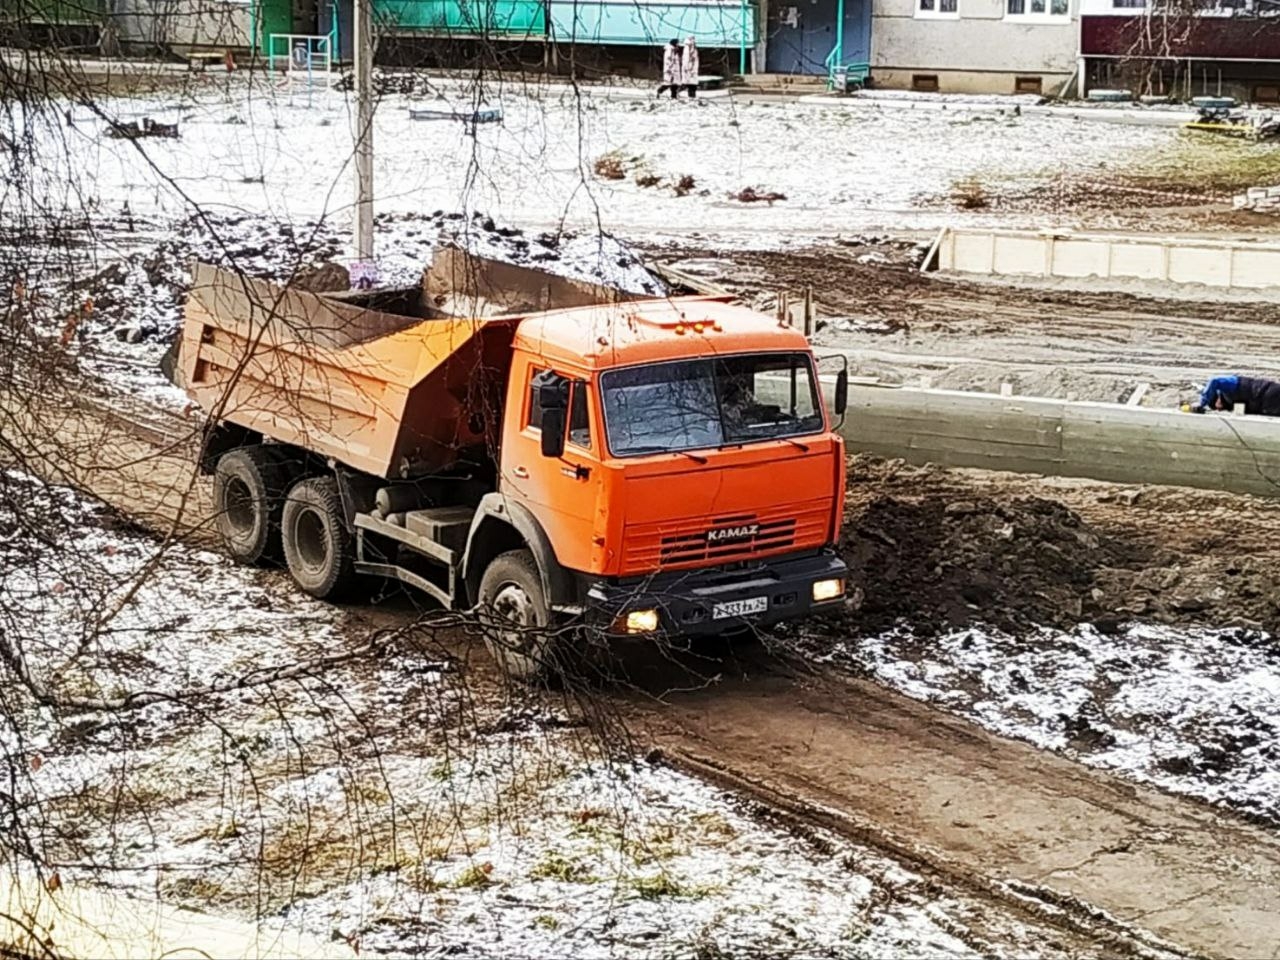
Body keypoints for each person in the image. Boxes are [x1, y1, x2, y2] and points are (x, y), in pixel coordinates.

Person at [1187, 374, 1280, 416]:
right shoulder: (1231, 404)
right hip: (1266, 406)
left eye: (1217, 405)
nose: (1219, 409)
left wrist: (1202, 403)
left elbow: (1214, 381)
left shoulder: (1233, 383)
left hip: (1269, 392)